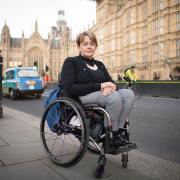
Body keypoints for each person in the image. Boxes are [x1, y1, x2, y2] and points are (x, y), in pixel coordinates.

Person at [61, 31, 135, 148]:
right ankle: (110, 137)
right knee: (114, 97)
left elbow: (111, 83)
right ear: (79, 46)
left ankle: (119, 132)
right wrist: (101, 86)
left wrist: (111, 87)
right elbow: (69, 88)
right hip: (80, 97)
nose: (89, 46)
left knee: (128, 94)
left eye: (92, 43)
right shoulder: (71, 62)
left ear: (96, 46)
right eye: (85, 44)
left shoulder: (100, 64)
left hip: (101, 95)